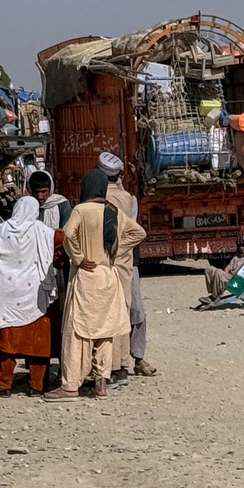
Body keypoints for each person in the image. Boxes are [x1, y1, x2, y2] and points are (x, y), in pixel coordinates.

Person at [44, 169, 146, 402]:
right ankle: (101, 384)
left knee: (76, 333)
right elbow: (139, 232)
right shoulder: (113, 211)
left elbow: (68, 233)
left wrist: (78, 257)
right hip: (108, 276)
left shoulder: (81, 210)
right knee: (105, 334)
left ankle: (70, 386)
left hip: (87, 276)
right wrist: (116, 251)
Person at [0, 197, 56, 397]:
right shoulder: (42, 231)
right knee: (38, 346)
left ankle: (3, 385)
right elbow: (61, 241)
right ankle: (37, 385)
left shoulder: (0, 232)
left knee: (6, 346)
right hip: (34, 300)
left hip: (7, 300)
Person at [97, 152, 157, 383]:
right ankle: (126, 361)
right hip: (125, 261)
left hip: (112, 262)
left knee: (122, 310)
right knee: (133, 309)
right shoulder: (127, 199)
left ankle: (129, 360)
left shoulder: (100, 199)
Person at [27, 170, 71, 388]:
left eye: (44, 191)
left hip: (58, 270)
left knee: (62, 317)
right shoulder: (28, 208)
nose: (41, 197)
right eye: (37, 192)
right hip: (35, 272)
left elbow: (66, 236)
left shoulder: (61, 205)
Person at [201, 235, 244, 303]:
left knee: (218, 272)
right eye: (240, 246)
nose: (241, 248)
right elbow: (227, 269)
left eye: (243, 246)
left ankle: (214, 297)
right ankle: (213, 292)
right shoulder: (236, 258)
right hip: (228, 276)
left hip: (236, 278)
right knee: (209, 269)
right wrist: (225, 272)